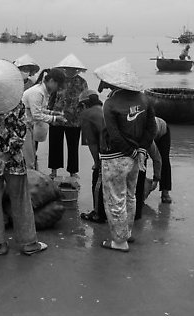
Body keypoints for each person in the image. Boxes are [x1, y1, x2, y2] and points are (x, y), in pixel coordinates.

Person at [0, 59, 47, 256]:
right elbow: (20, 134)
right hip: (13, 162)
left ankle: (0, 243)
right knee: (21, 201)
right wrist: (5, 155)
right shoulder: (16, 106)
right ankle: (28, 243)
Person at [94, 57, 156, 252]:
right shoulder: (145, 99)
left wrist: (131, 151)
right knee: (130, 196)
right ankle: (127, 233)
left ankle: (119, 241)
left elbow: (114, 135)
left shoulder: (111, 103)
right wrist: (141, 151)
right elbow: (151, 129)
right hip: (137, 157)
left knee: (114, 198)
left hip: (116, 157)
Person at [48, 54, 88, 181]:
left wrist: (85, 116)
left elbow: (85, 100)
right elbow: (51, 97)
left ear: (77, 70)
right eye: (67, 68)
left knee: (73, 146)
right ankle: (53, 170)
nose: (70, 71)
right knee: (54, 145)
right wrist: (48, 113)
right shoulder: (58, 81)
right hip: (57, 117)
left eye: (73, 69)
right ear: (64, 68)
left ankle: (72, 171)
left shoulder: (82, 82)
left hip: (75, 120)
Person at [21, 68, 67, 170]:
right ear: (51, 81)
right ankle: (28, 182)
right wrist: (55, 118)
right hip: (22, 127)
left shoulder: (42, 91)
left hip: (29, 126)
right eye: (58, 86)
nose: (58, 89)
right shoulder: (37, 92)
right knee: (29, 160)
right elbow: (36, 114)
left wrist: (51, 112)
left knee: (31, 156)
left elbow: (39, 109)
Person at [77, 89, 107, 224]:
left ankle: (98, 213)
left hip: (109, 151)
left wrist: (97, 162)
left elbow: (92, 143)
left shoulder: (86, 114)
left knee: (98, 180)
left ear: (84, 105)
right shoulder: (104, 109)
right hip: (124, 150)